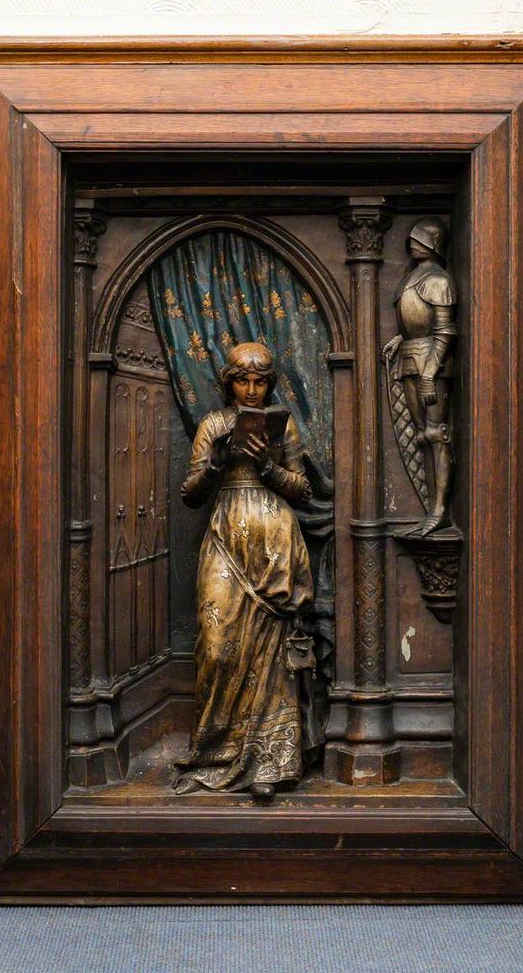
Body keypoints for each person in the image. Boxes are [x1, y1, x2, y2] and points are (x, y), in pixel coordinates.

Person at [174, 341, 314, 801]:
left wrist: (269, 467)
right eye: (242, 380)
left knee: (270, 652)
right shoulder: (213, 424)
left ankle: (268, 762)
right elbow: (191, 494)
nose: (252, 390)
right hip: (226, 539)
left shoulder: (283, 424)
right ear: (228, 382)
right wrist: (214, 463)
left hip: (275, 541)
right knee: (217, 648)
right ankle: (215, 753)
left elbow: (303, 489)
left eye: (259, 381)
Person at [390, 217, 457, 536]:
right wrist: (398, 341)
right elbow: (412, 324)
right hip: (410, 357)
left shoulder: (439, 280)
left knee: (436, 434)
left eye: (420, 240)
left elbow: (444, 332)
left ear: (433, 244)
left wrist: (431, 372)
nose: (412, 244)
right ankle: (431, 506)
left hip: (431, 360)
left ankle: (440, 509)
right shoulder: (412, 277)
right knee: (421, 436)